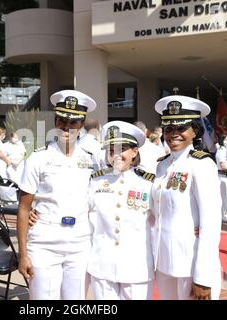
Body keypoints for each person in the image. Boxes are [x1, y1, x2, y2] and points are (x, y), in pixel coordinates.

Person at [17, 89, 97, 300]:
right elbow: (24, 208)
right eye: (62, 120)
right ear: (55, 121)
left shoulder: (93, 159)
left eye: (74, 122)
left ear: (81, 125)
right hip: (44, 242)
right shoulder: (37, 158)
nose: (67, 126)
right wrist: (23, 254)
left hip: (80, 242)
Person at [151, 95, 222, 300]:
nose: (174, 134)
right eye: (168, 129)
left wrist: (203, 277)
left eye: (181, 128)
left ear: (194, 131)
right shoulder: (162, 165)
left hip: (190, 264)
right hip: (164, 263)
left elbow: (211, 222)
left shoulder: (201, 164)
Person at [87, 121, 155, 300]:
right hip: (102, 265)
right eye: (111, 150)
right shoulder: (96, 182)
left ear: (134, 151)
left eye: (121, 149)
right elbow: (79, 210)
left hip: (136, 267)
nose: (116, 155)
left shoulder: (148, 183)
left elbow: (162, 219)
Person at [216, 134, 227, 222]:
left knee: (223, 198)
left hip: (225, 177)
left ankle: (223, 214)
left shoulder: (225, 150)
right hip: (222, 177)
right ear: (223, 141)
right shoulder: (222, 151)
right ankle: (222, 215)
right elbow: (223, 166)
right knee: (222, 198)